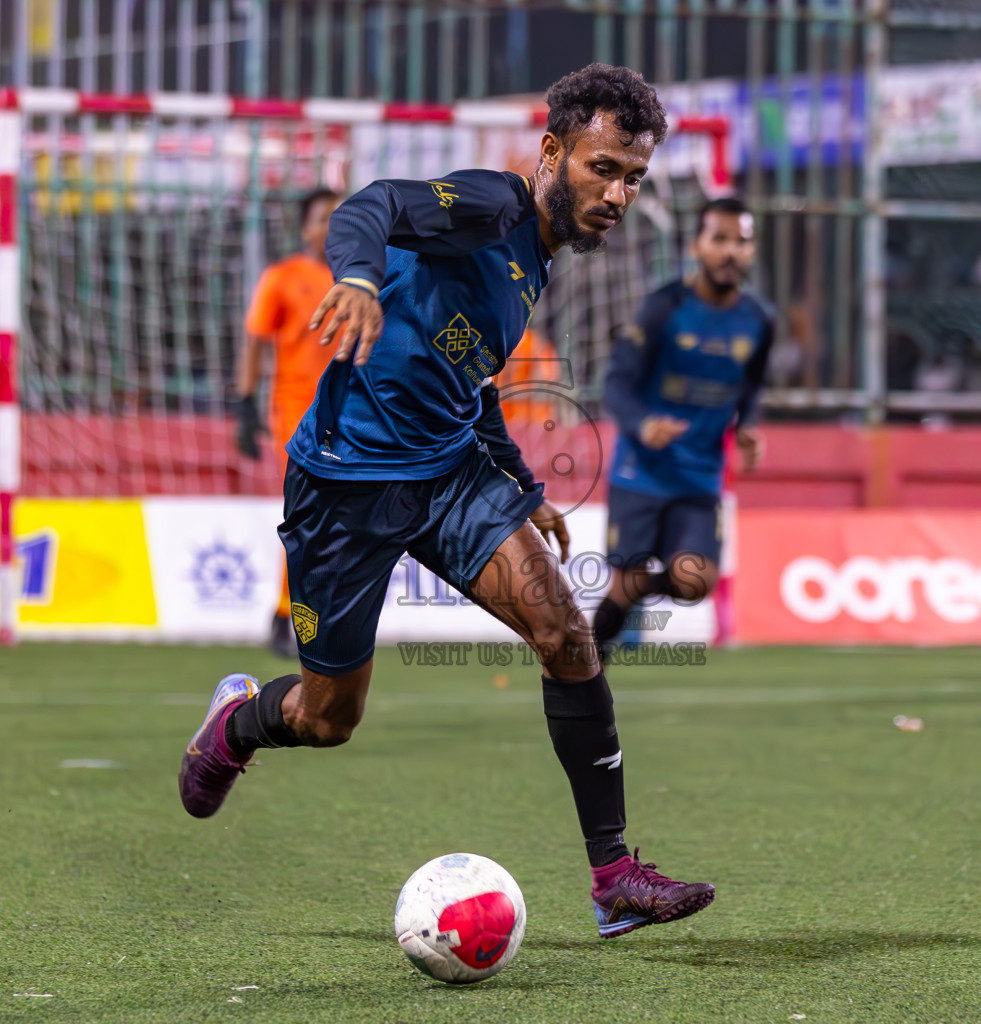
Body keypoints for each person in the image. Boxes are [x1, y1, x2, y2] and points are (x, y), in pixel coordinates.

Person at [179, 64, 715, 938]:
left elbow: (470, 381)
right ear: (553, 152)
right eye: (603, 167)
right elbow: (370, 208)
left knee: (566, 634)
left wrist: (519, 482)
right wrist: (354, 279)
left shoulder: (535, 258)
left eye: (633, 178)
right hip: (344, 486)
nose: (618, 193)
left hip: (447, 475)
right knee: (328, 718)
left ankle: (614, 877)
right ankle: (237, 726)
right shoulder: (490, 207)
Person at [591, 197, 774, 656]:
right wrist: (643, 424)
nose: (731, 251)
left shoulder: (758, 321)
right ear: (697, 246)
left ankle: (618, 608)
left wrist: (748, 427)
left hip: (699, 477)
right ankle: (584, 676)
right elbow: (615, 382)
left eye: (742, 241)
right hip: (642, 471)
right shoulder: (664, 308)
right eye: (720, 239)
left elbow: (750, 387)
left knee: (695, 582)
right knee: (625, 584)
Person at [234, 189, 344, 657]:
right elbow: (256, 342)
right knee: (309, 513)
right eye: (323, 218)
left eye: (340, 217)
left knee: (335, 518)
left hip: (353, 412)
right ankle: (287, 616)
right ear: (304, 229)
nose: (331, 226)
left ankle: (305, 615)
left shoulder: (364, 278)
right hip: (296, 413)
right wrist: (244, 404)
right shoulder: (282, 279)